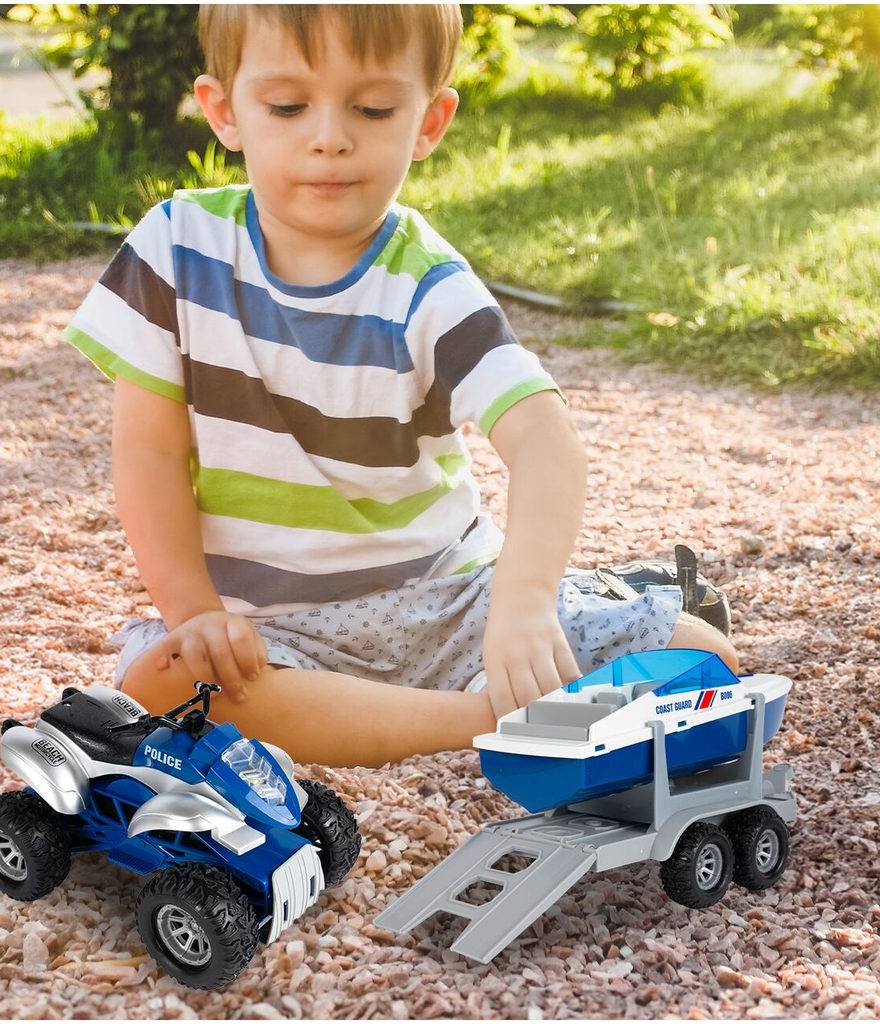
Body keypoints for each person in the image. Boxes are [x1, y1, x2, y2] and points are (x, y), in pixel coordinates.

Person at [64, 4, 737, 768]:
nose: (329, 137)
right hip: (270, 631)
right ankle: (486, 718)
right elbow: (148, 454)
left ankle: (462, 694)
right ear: (225, 112)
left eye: (373, 109)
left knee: (704, 661)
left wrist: (521, 607)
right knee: (161, 686)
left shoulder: (430, 285)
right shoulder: (173, 251)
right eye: (286, 106)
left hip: (451, 606)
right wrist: (195, 614)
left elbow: (547, 442)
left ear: (429, 121)